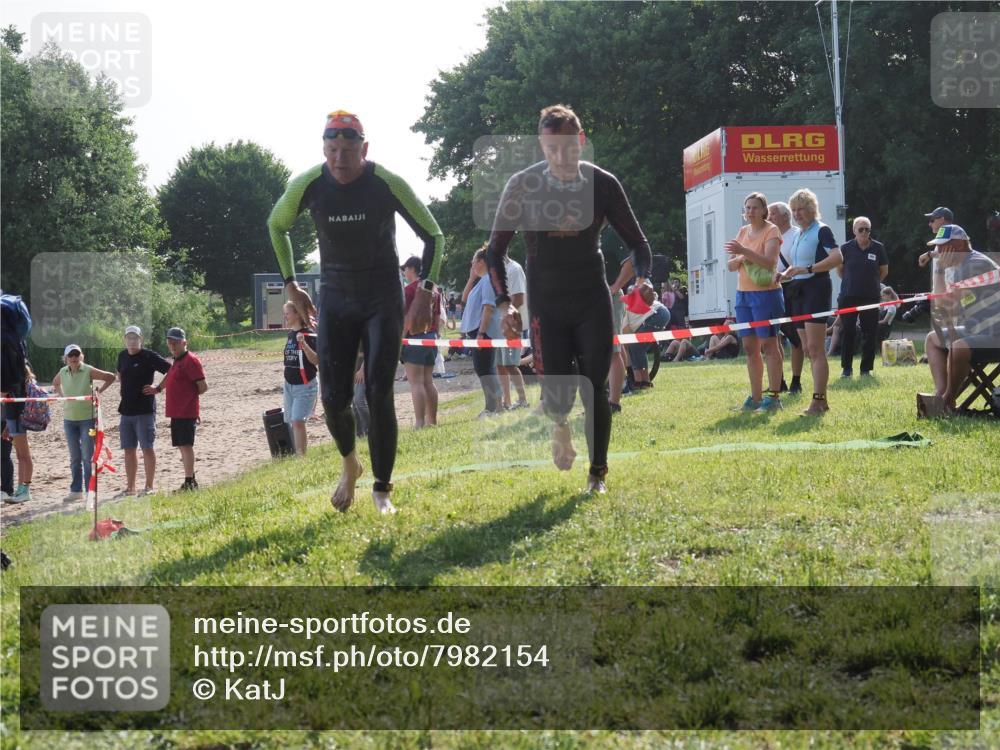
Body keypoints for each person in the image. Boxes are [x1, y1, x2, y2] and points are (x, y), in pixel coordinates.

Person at [268, 110, 443, 515]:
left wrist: (425, 292)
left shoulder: (385, 183)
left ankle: (382, 489)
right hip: (335, 298)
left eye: (348, 150)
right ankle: (351, 464)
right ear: (323, 149)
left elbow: (434, 234)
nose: (339, 160)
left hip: (382, 297)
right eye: (332, 150)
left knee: (380, 392)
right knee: (333, 398)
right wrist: (291, 284)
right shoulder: (308, 184)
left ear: (364, 149)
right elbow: (276, 224)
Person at [486, 104, 653, 494]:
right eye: (551, 148)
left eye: (568, 147)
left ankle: (598, 473)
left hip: (590, 296)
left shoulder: (603, 184)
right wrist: (504, 302)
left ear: (581, 141)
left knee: (594, 387)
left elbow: (638, 243)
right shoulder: (523, 185)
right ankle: (560, 427)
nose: (560, 157)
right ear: (542, 147)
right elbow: (495, 250)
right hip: (546, 300)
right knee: (557, 389)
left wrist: (643, 279)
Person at [922, 225, 1000, 410]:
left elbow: (943, 303)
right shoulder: (961, 266)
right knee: (933, 339)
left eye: (942, 247)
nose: (938, 252)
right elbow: (945, 306)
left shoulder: (974, 264)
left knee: (958, 347)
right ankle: (940, 394)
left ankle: (948, 399)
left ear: (958, 245)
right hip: (980, 330)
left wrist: (939, 269)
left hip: (996, 335)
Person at [780, 188, 843, 416]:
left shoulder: (822, 230)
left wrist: (808, 269)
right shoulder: (798, 233)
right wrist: (785, 273)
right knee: (807, 348)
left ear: (811, 209)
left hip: (816, 289)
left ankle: (818, 401)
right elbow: (795, 262)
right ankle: (820, 399)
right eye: (793, 210)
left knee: (816, 349)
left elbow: (837, 258)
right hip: (798, 291)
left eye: (801, 210)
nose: (796, 214)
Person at [725, 192, 784, 412]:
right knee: (750, 348)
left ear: (764, 210)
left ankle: (774, 397)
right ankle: (756, 397)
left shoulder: (772, 230)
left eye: (755, 207)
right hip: (743, 295)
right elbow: (731, 266)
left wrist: (743, 253)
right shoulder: (743, 231)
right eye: (747, 207)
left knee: (769, 345)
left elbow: (769, 262)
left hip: (766, 294)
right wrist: (742, 256)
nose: (750, 211)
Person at [52, 345, 116, 503]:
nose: (74, 357)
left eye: (76, 354)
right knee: (75, 457)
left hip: (87, 419)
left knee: (88, 457)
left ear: (81, 356)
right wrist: (62, 397)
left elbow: (111, 377)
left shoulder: (88, 370)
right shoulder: (62, 371)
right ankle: (76, 491)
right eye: (70, 355)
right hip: (69, 420)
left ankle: (90, 491)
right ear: (66, 358)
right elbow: (55, 383)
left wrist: (99, 392)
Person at [115, 325, 171, 498]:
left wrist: (158, 387)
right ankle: (130, 487)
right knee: (128, 449)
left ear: (141, 339)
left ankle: (149, 487)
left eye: (135, 337)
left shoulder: (148, 356)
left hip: (145, 410)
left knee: (147, 448)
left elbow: (172, 369)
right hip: (126, 411)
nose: (132, 340)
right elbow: (119, 374)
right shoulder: (122, 355)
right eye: (129, 337)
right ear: (124, 339)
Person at [149, 328, 207, 492]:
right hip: (177, 412)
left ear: (184, 342)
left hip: (185, 412)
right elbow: (170, 375)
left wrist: (192, 406)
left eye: (176, 342)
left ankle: (190, 482)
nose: (172, 345)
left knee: (186, 446)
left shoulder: (191, 360)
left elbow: (202, 387)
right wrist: (158, 388)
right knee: (182, 446)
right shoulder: (177, 360)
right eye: (170, 343)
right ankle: (190, 480)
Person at [836, 216, 889, 378]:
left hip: (870, 298)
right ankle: (846, 369)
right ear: (854, 231)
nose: (864, 232)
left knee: (870, 333)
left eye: (867, 229)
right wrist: (851, 283)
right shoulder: (845, 248)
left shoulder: (878, 248)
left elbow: (884, 271)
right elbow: (840, 270)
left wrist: (872, 284)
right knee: (848, 331)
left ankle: (866, 370)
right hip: (848, 296)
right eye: (861, 229)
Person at [400, 256, 443, 428]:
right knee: (428, 381)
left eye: (405, 269)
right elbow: (438, 316)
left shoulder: (409, 290)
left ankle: (419, 422)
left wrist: (401, 341)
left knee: (416, 382)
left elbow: (405, 319)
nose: (404, 272)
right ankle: (432, 421)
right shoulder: (433, 289)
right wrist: (436, 335)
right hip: (431, 337)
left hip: (413, 338)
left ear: (412, 269)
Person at [461, 248, 504, 416]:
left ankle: (493, 407)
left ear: (481, 262)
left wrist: (480, 333)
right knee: (483, 369)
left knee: (485, 369)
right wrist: (471, 278)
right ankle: (493, 407)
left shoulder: (487, 280)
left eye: (473, 261)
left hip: (483, 333)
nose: (471, 265)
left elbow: (488, 308)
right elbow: (465, 300)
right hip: (479, 332)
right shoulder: (482, 280)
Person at [768, 201, 804, 394]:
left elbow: (798, 262)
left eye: (772, 214)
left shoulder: (797, 235)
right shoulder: (768, 235)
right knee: (773, 337)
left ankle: (796, 381)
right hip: (771, 290)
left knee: (795, 338)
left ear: (784, 216)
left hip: (792, 290)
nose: (769, 217)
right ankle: (778, 380)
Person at [281, 302, 319, 453]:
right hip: (289, 384)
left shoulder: (309, 334)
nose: (285, 317)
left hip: (305, 385)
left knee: (297, 420)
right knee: (291, 421)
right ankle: (297, 452)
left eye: (287, 314)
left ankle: (301, 456)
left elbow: (316, 360)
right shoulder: (291, 334)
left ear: (297, 314)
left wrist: (303, 344)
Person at [622, 279, 670, 389]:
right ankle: (643, 381)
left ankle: (641, 382)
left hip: (658, 314)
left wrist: (629, 366)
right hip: (661, 313)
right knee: (637, 347)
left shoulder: (622, 310)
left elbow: (627, 337)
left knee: (635, 346)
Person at [497, 252, 529, 410]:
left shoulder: (514, 269)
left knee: (510, 365)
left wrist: (506, 318)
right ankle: (506, 401)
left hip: (513, 325)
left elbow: (519, 298)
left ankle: (523, 400)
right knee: (501, 365)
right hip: (502, 326)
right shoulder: (498, 272)